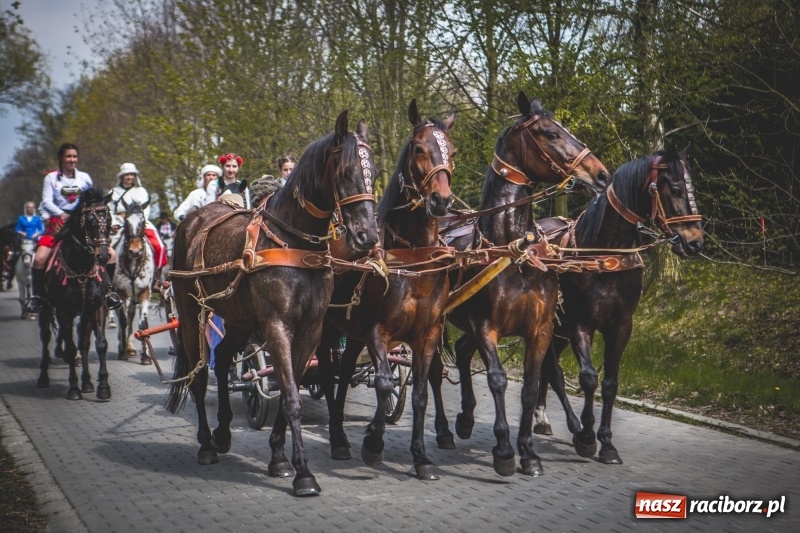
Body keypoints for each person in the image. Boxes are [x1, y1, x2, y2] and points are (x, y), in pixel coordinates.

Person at [26, 143, 122, 313]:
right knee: (39, 258)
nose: (72, 160)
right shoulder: (51, 179)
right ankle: (38, 297)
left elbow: (95, 202)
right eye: (68, 156)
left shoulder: (84, 177)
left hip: (81, 222)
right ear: (61, 158)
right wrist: (61, 214)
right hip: (58, 223)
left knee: (111, 255)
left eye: (74, 156)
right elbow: (46, 201)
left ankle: (109, 292)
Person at [107, 163, 168, 284]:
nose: (129, 177)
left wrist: (138, 221)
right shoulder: (113, 192)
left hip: (139, 222)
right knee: (107, 249)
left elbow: (146, 210)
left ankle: (156, 279)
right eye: (126, 175)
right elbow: (109, 210)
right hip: (119, 222)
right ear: (121, 177)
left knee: (159, 247)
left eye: (131, 174)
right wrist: (113, 223)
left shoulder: (141, 191)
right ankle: (107, 280)